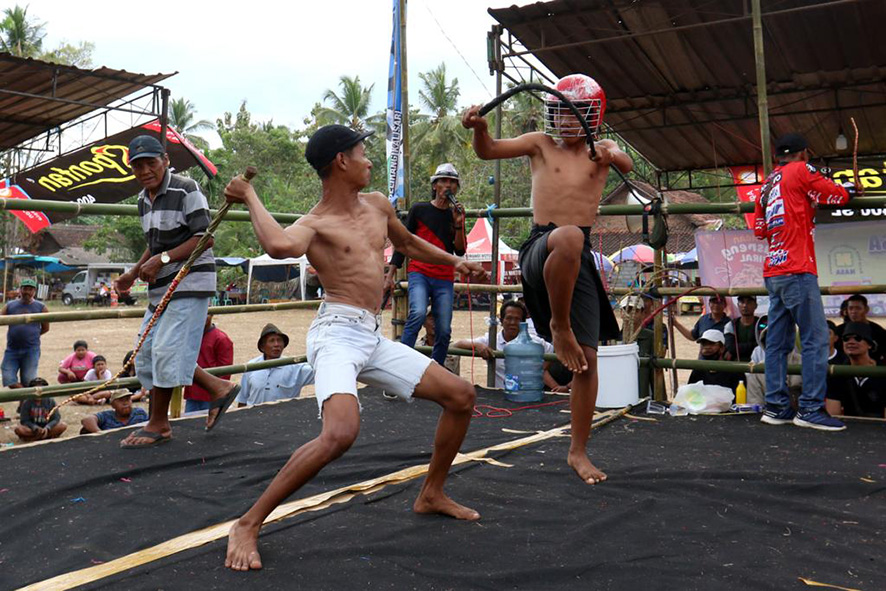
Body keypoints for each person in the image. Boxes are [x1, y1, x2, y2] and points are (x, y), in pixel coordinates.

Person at [222, 124, 488, 571]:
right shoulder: (316, 223)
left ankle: (431, 493)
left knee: (461, 395)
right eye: (362, 152)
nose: (369, 160)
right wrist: (249, 196)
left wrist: (455, 259)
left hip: (371, 333)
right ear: (341, 161)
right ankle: (247, 523)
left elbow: (406, 243)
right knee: (340, 434)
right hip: (335, 335)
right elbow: (279, 245)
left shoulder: (378, 205)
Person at [463, 74, 626, 484]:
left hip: (579, 255)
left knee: (587, 362)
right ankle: (557, 324)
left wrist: (608, 155)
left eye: (574, 113)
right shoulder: (539, 142)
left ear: (592, 115)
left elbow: (625, 162)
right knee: (568, 236)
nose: (564, 120)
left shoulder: (602, 148)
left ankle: (578, 451)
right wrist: (480, 129)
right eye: (558, 111)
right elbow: (489, 152)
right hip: (542, 245)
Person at [113, 135, 240, 448]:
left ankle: (159, 424)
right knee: (146, 353)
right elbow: (155, 245)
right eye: (138, 165)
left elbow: (204, 238)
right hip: (161, 285)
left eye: (150, 163)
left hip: (190, 280)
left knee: (166, 350)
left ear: (165, 161)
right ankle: (219, 389)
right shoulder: (144, 199)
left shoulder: (187, 188)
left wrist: (164, 259)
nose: (145, 170)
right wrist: (133, 271)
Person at [753, 132, 851, 431]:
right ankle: (809, 409)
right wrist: (847, 190)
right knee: (815, 339)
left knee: (778, 344)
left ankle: (777, 406)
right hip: (798, 267)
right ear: (804, 153)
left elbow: (760, 230)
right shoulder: (803, 170)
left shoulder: (767, 183)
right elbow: (836, 194)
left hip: (774, 268)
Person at [384, 163, 466, 366]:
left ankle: (435, 369)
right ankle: (400, 365)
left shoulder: (456, 214)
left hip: (444, 276)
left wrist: (458, 224)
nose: (448, 186)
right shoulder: (419, 210)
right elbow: (403, 244)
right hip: (419, 272)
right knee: (418, 313)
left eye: (452, 182)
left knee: (444, 328)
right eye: (444, 181)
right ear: (435, 185)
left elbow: (460, 250)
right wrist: (390, 274)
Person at [452, 300, 568, 392]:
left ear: (523, 323)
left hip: (526, 395)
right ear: (501, 321)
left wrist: (539, 369)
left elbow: (552, 350)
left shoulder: (535, 342)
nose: (512, 322)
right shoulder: (491, 340)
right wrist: (477, 345)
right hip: (499, 394)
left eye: (517, 319)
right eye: (509, 318)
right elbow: (458, 344)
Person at [236, 323, 314, 407]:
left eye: (279, 340)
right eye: (272, 340)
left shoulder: (295, 368)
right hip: (254, 416)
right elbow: (242, 400)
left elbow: (323, 372)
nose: (276, 344)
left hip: (283, 416)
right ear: (262, 347)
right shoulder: (251, 367)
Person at [825, 322, 886, 418]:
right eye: (846, 339)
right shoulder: (837, 373)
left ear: (869, 345)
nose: (851, 342)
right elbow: (833, 415)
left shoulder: (882, 372)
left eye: (857, 338)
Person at [2, 278, 49, 388]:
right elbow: (1, 318)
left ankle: (24, 404)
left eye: (30, 289)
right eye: (25, 289)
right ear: (20, 290)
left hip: (31, 350)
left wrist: (32, 336)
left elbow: (45, 328)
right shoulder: (10, 305)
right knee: (9, 379)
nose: (27, 292)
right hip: (12, 349)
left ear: (34, 291)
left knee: (28, 380)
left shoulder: (41, 307)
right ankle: (26, 399)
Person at [746, 316, 802, 406]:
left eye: (780, 335)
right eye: (771, 338)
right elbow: (755, 406)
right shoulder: (758, 370)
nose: (776, 342)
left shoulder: (804, 363)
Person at [184, 315, 234, 413]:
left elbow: (225, 372)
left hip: (210, 396)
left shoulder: (221, 339)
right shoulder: (190, 336)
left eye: (207, 313)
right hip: (192, 394)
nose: (203, 316)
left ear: (212, 314)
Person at [836, 295, 886, 363]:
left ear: (866, 309)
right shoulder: (839, 331)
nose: (854, 312)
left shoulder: (878, 331)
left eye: (858, 308)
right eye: (850, 308)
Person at [80, 390, 148, 433]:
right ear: (113, 405)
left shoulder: (140, 413)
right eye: (121, 400)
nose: (125, 403)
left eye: (127, 399)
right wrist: (101, 434)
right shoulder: (107, 416)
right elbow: (87, 420)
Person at [723, 295, 758, 362]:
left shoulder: (761, 323)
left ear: (755, 305)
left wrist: (738, 348)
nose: (745, 305)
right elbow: (731, 348)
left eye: (749, 302)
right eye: (742, 302)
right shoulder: (731, 325)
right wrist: (755, 345)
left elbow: (765, 345)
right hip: (736, 366)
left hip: (758, 365)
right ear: (738, 305)